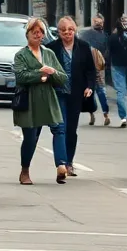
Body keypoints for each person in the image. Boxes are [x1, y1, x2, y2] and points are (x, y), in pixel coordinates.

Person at [12, 17, 69, 185]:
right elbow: (21, 76)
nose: (38, 35)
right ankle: (25, 170)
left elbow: (62, 78)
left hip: (48, 99)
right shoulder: (21, 55)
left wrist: (52, 72)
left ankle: (61, 165)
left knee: (58, 128)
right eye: (34, 32)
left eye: (40, 32)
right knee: (30, 137)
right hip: (29, 101)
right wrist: (41, 75)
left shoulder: (48, 54)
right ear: (27, 34)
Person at [46, 17, 97, 177]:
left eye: (70, 29)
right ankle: (61, 163)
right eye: (63, 30)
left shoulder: (83, 46)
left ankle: (69, 162)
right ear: (58, 32)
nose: (67, 33)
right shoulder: (51, 48)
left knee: (71, 130)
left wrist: (89, 87)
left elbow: (91, 70)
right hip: (58, 93)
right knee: (60, 128)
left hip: (76, 94)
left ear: (74, 30)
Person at [78, 14, 111, 126]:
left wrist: (104, 62)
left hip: (99, 67)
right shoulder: (86, 35)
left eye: (100, 22)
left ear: (103, 22)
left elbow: (108, 50)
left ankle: (106, 114)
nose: (98, 24)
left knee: (101, 91)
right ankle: (92, 113)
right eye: (96, 21)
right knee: (90, 91)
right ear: (93, 21)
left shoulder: (105, 36)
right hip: (87, 67)